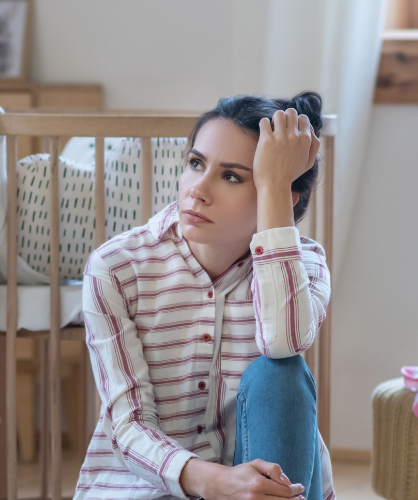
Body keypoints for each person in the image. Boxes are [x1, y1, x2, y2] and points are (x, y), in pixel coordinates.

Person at [75, 91, 333, 500]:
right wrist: (217, 483)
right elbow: (129, 424)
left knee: (280, 375)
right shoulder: (116, 267)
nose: (197, 190)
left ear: (281, 195)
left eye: (231, 176)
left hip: (268, 486)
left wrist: (273, 192)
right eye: (196, 164)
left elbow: (283, 343)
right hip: (146, 488)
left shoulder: (307, 264)